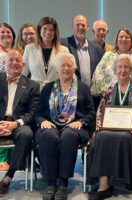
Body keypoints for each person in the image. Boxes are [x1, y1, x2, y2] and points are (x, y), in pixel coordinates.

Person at [88, 54, 132, 199]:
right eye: (120, 67)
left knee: (124, 137)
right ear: (115, 70)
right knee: (102, 136)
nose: (123, 70)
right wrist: (100, 125)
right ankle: (104, 183)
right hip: (110, 129)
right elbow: (100, 113)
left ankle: (114, 180)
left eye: (126, 67)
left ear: (131, 70)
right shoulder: (109, 89)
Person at [35, 52, 95, 200]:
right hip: (51, 125)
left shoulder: (83, 88)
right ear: (57, 68)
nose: (66, 68)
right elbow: (38, 112)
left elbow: (91, 113)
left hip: (76, 127)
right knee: (48, 136)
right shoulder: (48, 88)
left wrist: (81, 122)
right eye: (63, 65)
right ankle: (50, 183)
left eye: (69, 65)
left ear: (74, 68)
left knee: (68, 136)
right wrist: (42, 121)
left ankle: (62, 183)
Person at [0, 49, 39, 196]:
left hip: (18, 124)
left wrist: (15, 124)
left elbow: (33, 112)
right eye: (11, 60)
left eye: (18, 61)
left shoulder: (33, 85)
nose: (14, 63)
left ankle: (8, 177)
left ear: (23, 65)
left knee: (26, 134)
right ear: (4, 62)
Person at [90, 28, 132, 97]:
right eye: (121, 37)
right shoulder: (108, 56)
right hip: (110, 98)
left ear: (131, 41)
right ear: (117, 40)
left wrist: (130, 91)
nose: (123, 39)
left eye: (127, 37)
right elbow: (98, 75)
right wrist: (108, 92)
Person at [22, 16, 69, 90]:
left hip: (56, 92)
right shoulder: (29, 49)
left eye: (51, 30)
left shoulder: (64, 50)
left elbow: (68, 75)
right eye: (45, 29)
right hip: (35, 93)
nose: (48, 32)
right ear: (39, 30)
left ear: (55, 33)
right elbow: (23, 74)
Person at [61, 14, 104, 88]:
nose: (80, 27)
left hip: (92, 96)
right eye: (77, 25)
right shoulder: (62, 45)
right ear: (72, 27)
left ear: (87, 27)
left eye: (83, 25)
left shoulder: (98, 49)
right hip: (71, 94)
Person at [0, 23, 16, 170]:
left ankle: (14, 159)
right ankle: (1, 159)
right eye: (2, 32)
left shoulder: (18, 52)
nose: (6, 35)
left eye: (8, 32)